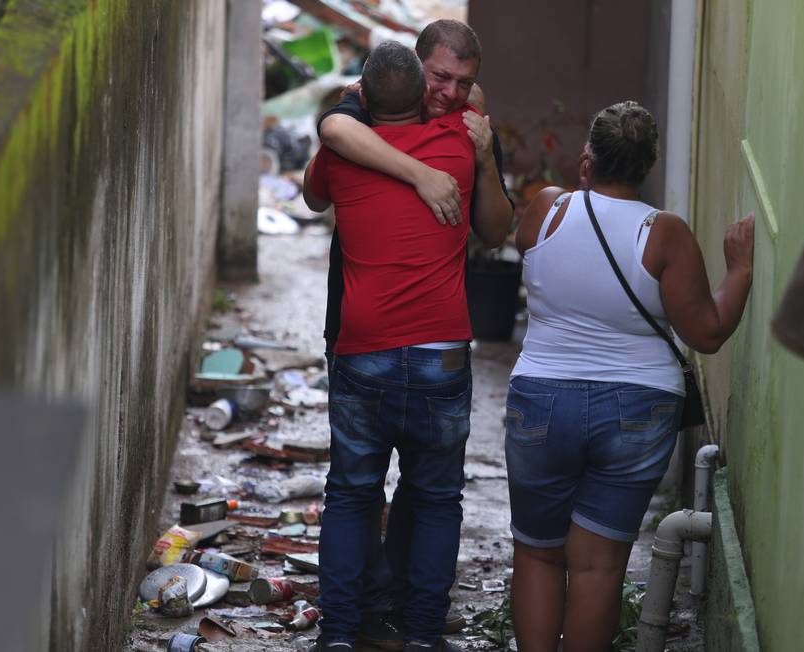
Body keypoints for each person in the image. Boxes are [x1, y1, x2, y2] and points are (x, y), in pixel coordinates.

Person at [504, 101, 755, 651]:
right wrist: (740, 270)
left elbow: (528, 249)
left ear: (587, 159)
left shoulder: (545, 208)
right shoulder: (664, 234)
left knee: (538, 552)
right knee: (596, 568)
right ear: (648, 166)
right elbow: (707, 332)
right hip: (638, 410)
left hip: (542, 400)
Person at [314, 19, 513, 651]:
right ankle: (421, 633)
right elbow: (338, 122)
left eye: (464, 83)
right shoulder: (457, 140)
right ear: (417, 70)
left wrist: (480, 154)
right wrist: (427, 173)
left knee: (352, 494)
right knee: (434, 499)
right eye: (440, 77)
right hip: (438, 357)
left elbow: (325, 160)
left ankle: (342, 634)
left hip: (366, 349)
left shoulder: (455, 135)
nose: (452, 94)